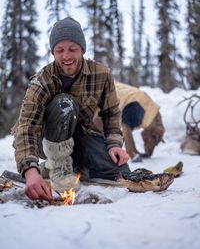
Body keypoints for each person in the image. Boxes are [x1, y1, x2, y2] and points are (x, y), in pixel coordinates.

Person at [11, 17, 130, 201]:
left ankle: (68, 166)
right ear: (53, 52)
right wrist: (30, 172)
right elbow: (27, 128)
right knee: (65, 103)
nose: (66, 56)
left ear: (82, 49)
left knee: (118, 170)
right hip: (46, 140)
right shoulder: (41, 81)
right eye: (60, 50)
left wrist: (115, 144)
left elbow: (111, 114)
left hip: (80, 135)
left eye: (72, 49)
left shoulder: (102, 73)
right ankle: (57, 167)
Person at [93, 81, 165, 162]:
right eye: (147, 140)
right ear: (154, 134)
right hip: (101, 91)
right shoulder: (140, 107)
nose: (144, 139)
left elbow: (127, 128)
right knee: (96, 125)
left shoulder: (149, 110)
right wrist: (131, 153)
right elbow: (125, 125)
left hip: (109, 89)